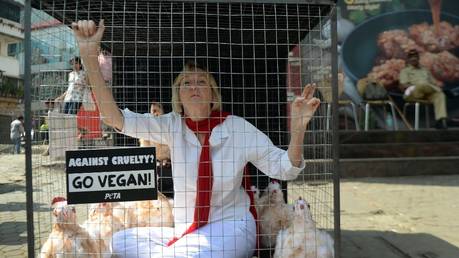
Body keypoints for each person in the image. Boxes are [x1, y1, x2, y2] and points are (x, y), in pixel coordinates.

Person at [72, 19, 320, 258]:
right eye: (186, 83)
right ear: (178, 94)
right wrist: (89, 57)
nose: (193, 87)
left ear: (213, 94)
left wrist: (298, 129)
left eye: (201, 82)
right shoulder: (172, 125)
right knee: (120, 241)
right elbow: (116, 119)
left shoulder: (236, 128)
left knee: (188, 253)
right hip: (187, 230)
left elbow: (285, 168)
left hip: (231, 228)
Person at [399, 49, 448, 129]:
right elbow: (402, 85)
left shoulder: (425, 70)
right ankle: (437, 89)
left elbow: (434, 82)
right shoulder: (405, 71)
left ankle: (440, 120)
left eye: (415, 57)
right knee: (422, 84)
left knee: (440, 95)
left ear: (418, 58)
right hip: (414, 93)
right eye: (411, 57)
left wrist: (437, 86)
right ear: (408, 59)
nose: (414, 59)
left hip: (427, 93)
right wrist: (414, 86)